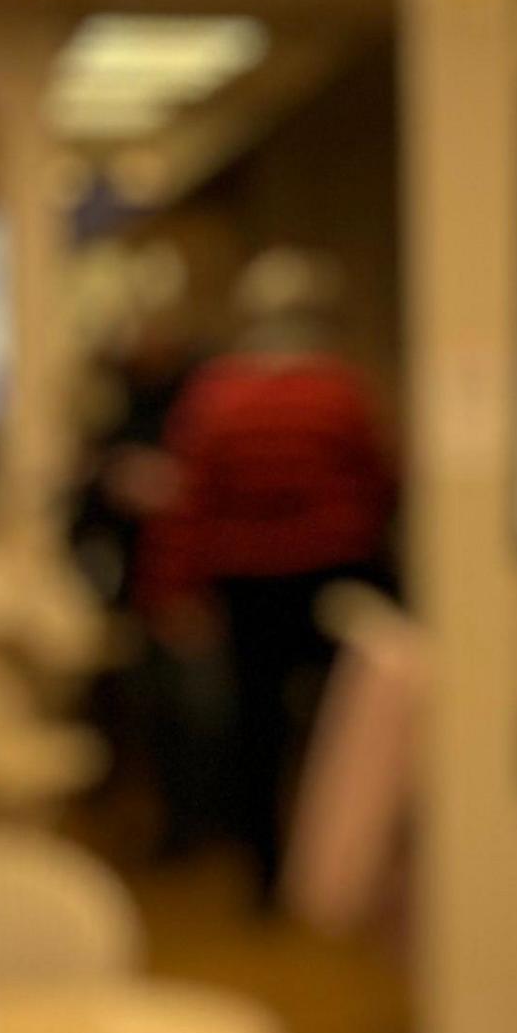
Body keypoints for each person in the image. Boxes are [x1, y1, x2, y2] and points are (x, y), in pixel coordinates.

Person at [143, 248, 396, 905]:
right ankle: (338, 868)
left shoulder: (218, 394)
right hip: (330, 582)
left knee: (257, 730)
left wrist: (171, 587)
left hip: (249, 585)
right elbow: (380, 488)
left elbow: (189, 503)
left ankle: (270, 877)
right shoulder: (340, 390)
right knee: (338, 731)